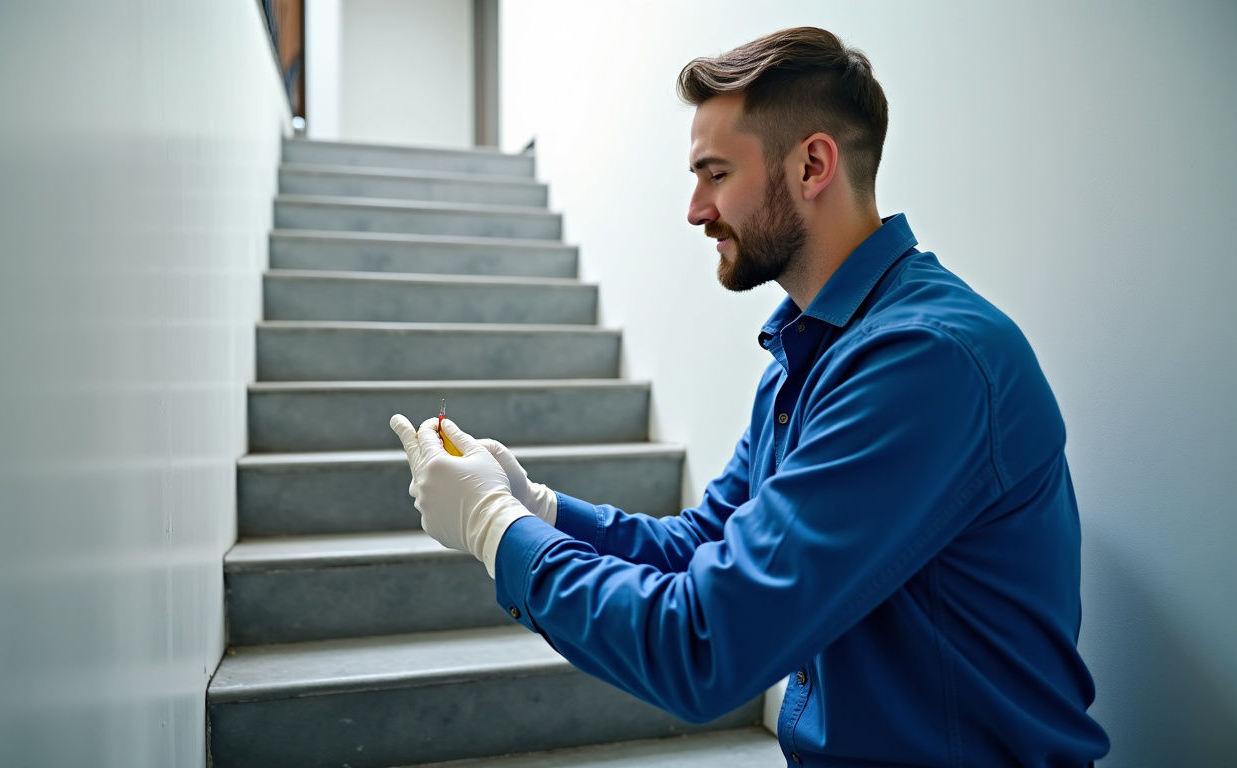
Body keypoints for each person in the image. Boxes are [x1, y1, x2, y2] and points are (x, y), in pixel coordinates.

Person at [390, 26, 1109, 767]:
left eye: (715, 174)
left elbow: (703, 645)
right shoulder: (810, 353)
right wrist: (541, 507)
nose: (697, 210)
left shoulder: (926, 364)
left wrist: (494, 526)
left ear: (812, 165)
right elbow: (704, 544)